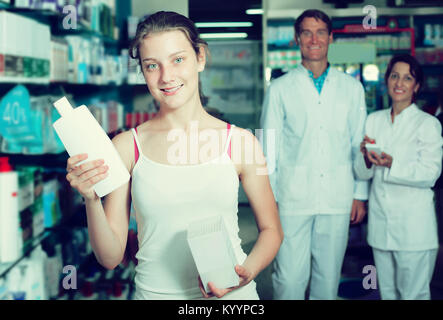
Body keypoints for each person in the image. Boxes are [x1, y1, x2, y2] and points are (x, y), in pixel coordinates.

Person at [65, 11, 283, 300]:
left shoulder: (241, 142)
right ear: (142, 71)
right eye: (152, 65)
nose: (166, 77)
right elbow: (110, 257)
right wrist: (91, 198)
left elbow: (271, 230)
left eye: (178, 59)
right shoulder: (126, 147)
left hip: (231, 297)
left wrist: (246, 273)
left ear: (200, 58)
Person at [260, 9, 368, 300]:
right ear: (297, 39)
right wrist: (268, 198)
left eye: (320, 32)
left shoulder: (352, 89)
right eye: (306, 32)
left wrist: (360, 193)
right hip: (291, 197)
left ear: (331, 38)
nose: (314, 39)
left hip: (338, 195)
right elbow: (268, 147)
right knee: (289, 278)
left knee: (328, 278)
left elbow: (360, 142)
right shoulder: (280, 89)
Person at [355, 54, 442, 299]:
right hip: (381, 224)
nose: (399, 83)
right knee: (388, 293)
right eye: (394, 76)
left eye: (407, 78)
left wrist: (393, 163)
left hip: (413, 227)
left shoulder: (427, 124)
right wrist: (364, 157)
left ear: (417, 86)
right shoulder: (374, 120)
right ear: (386, 80)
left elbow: (430, 173)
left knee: (413, 293)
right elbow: (362, 173)